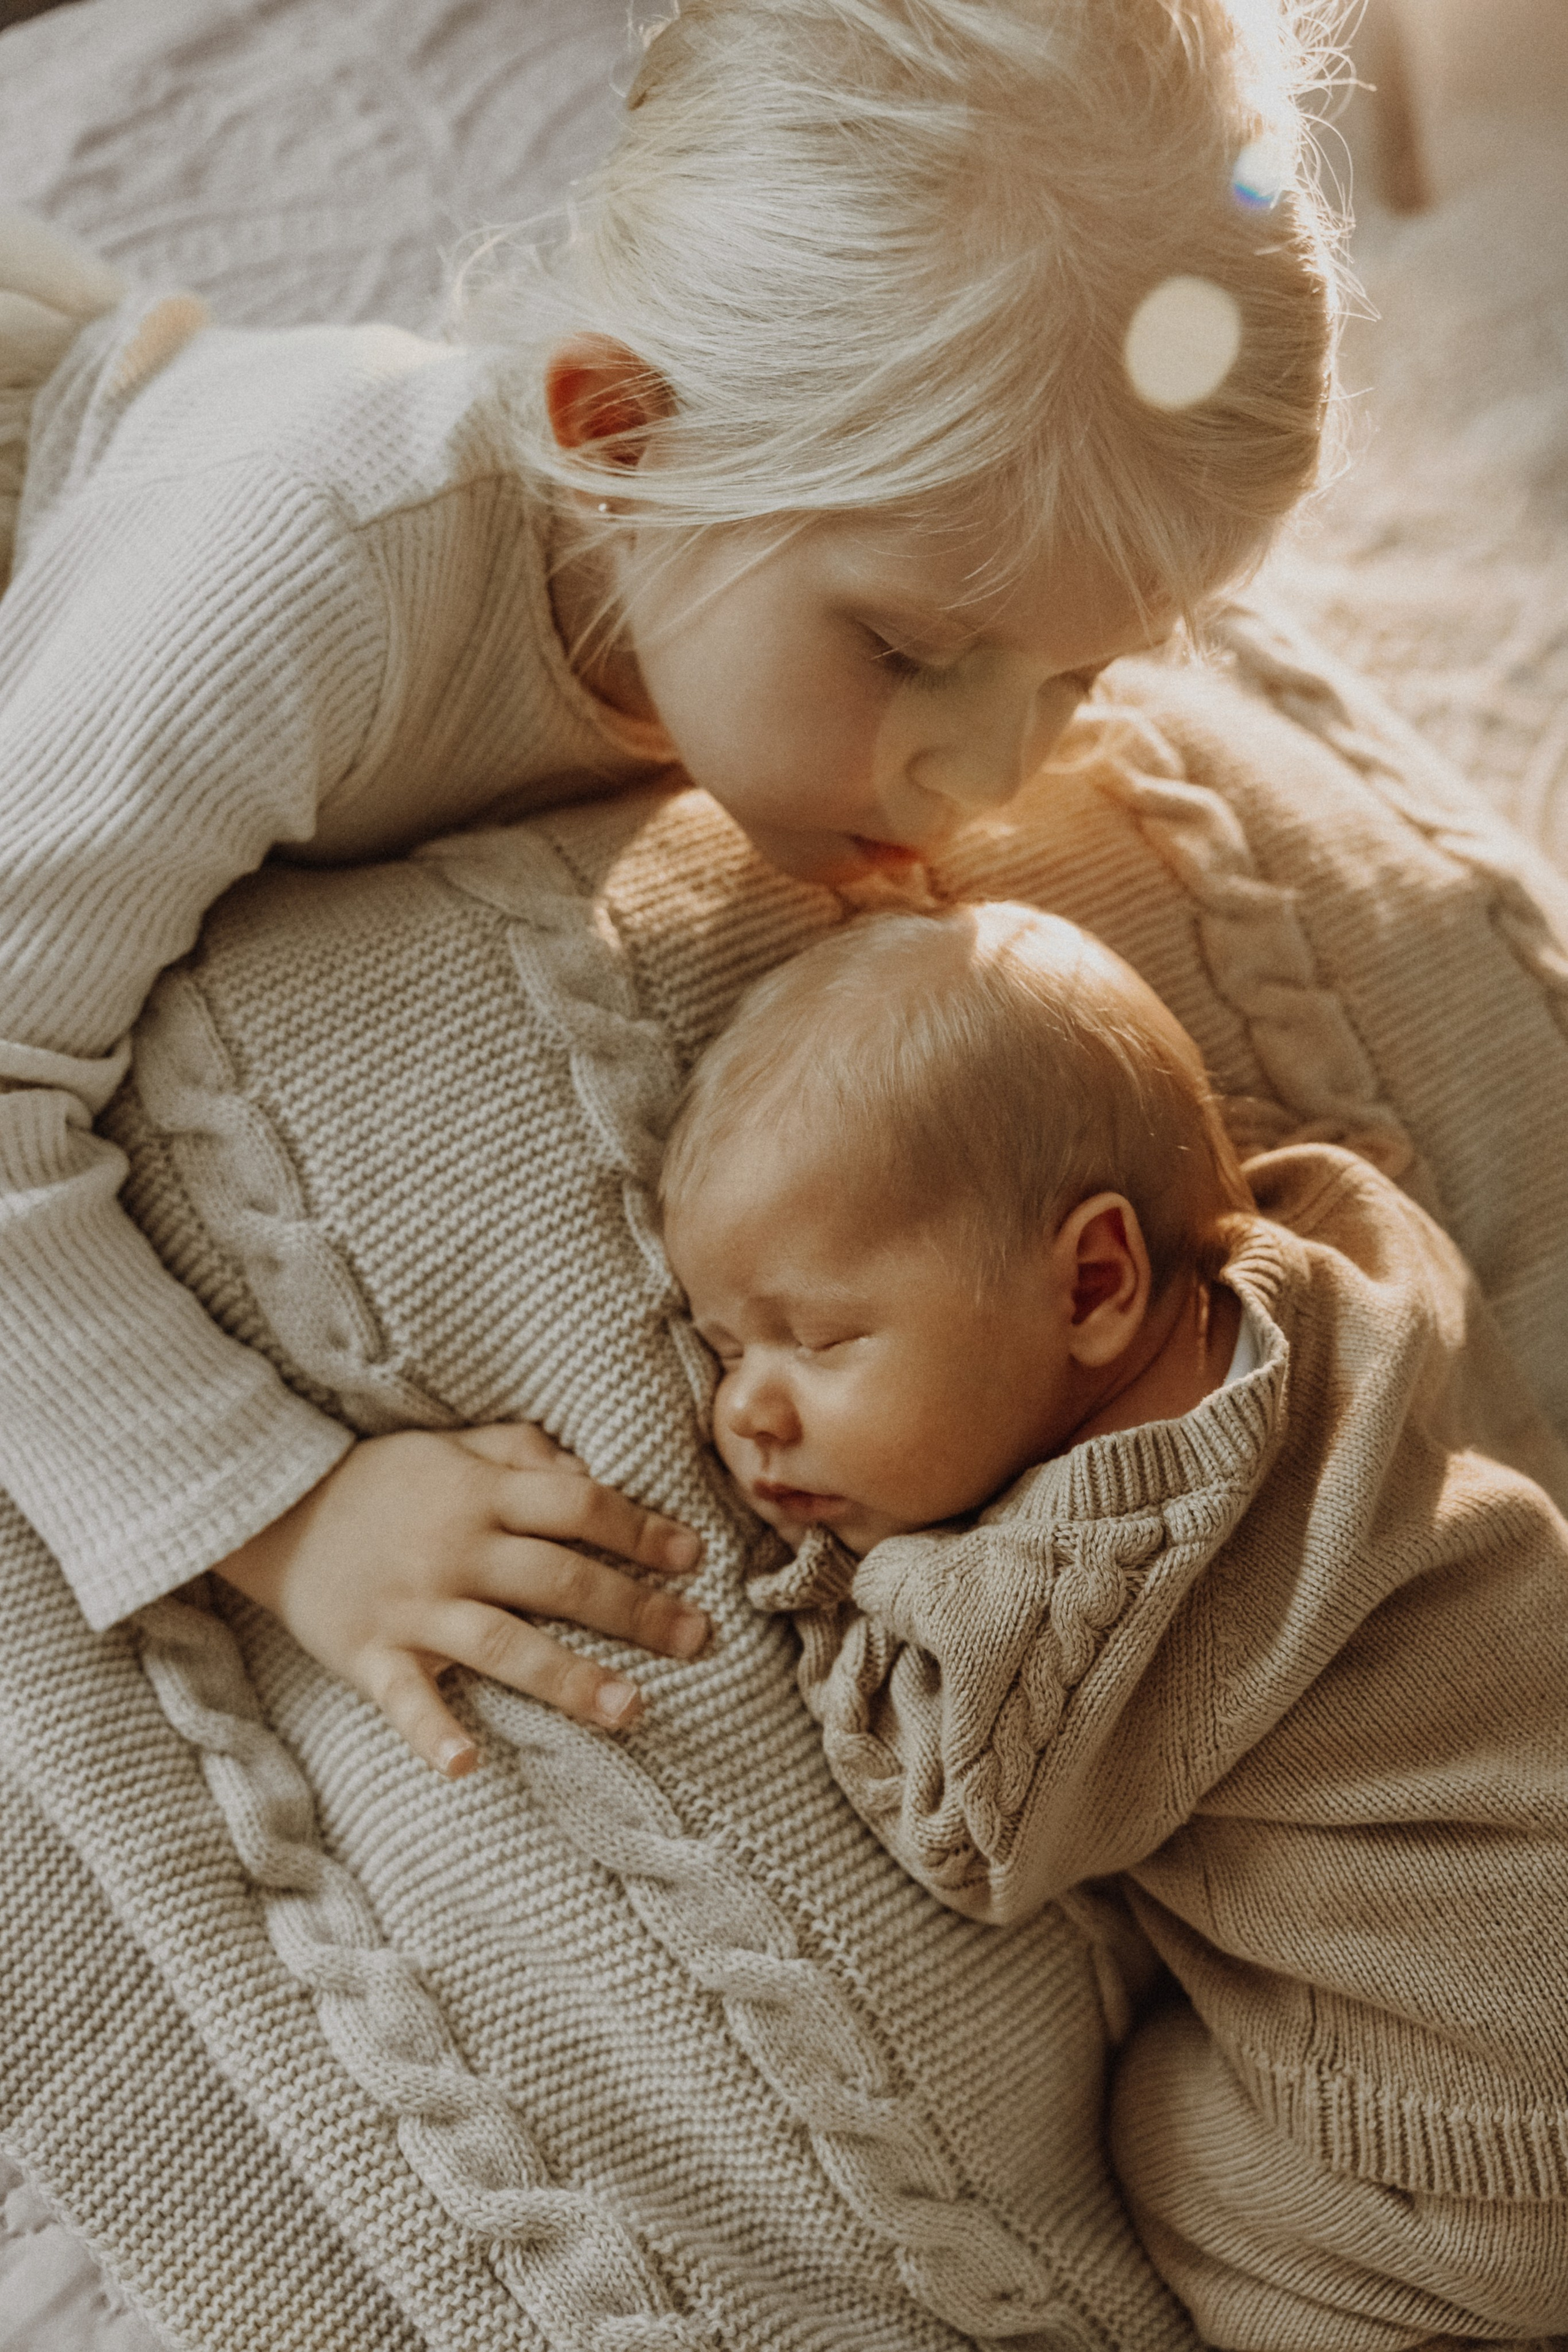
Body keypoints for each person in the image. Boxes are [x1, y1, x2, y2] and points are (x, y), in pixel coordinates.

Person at [0, 0, 1341, 1779]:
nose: (989, 777)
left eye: (1078, 677)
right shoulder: (303, 580)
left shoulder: (768, 562)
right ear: (625, 437)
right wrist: (293, 1516)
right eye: (912, 653)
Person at [657, 899, 1568, 2351]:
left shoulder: (1101, 1580)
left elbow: (971, 1827)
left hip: (1476, 2129)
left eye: (817, 1338)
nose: (744, 1412)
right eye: (720, 1350)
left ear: (1091, 1282)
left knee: (1165, 2128)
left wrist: (846, 1578)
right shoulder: (1343, 1287)